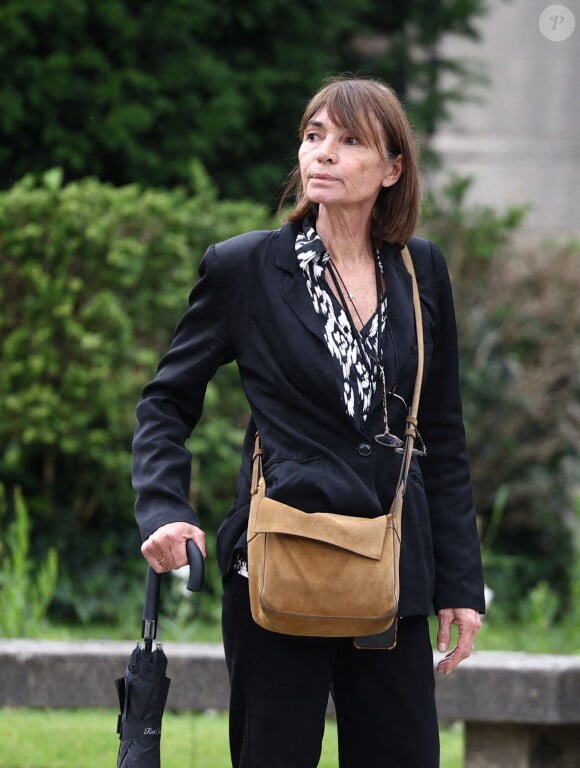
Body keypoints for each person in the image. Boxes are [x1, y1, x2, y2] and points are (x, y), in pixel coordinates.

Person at [132, 75, 485, 767]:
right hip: (278, 563)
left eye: (350, 140)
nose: (322, 153)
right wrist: (163, 508)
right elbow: (166, 402)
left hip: (392, 570)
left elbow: (441, 432)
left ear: (392, 169)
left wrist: (459, 585)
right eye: (314, 135)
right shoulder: (245, 267)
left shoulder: (422, 271)